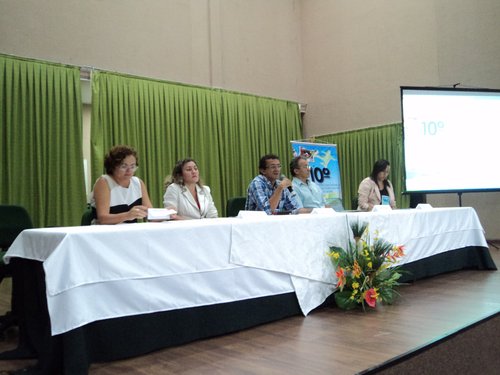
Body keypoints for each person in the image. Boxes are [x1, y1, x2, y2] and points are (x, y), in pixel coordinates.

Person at [90, 145, 153, 224]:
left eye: (133, 166)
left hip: (130, 231)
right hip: (106, 231)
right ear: (113, 166)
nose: (129, 171)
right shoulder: (104, 182)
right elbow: (103, 219)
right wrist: (127, 215)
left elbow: (150, 213)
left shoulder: (138, 183)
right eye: (124, 166)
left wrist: (167, 215)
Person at [245, 154, 310, 215]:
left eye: (278, 166)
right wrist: (280, 188)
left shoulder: (279, 183)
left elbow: (295, 208)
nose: (277, 170)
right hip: (256, 223)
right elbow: (267, 211)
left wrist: (314, 211)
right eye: (273, 167)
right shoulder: (257, 183)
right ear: (263, 171)